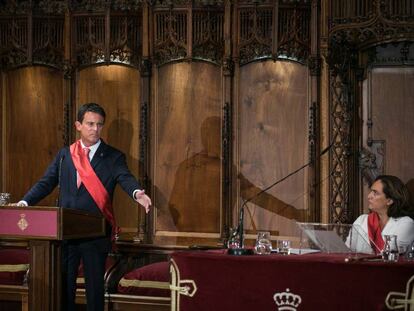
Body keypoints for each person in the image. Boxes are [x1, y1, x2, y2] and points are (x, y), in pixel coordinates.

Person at [11, 103, 151, 311]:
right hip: (65, 233)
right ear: (78, 125)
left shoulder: (113, 157)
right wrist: (24, 203)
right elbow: (46, 182)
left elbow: (125, 177)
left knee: (94, 291)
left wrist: (136, 192)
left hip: (95, 234)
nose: (95, 129)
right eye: (90, 124)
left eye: (100, 125)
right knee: (64, 288)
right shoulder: (65, 155)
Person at [349, 175, 414, 254]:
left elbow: (390, 255)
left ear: (389, 201)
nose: (369, 196)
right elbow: (346, 251)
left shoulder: (406, 223)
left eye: (375, 193)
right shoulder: (361, 220)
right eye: (371, 191)